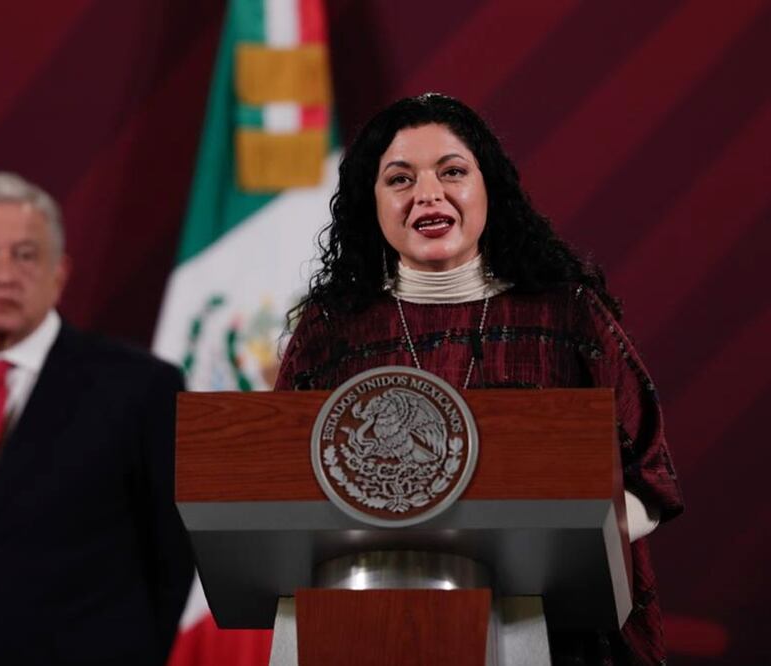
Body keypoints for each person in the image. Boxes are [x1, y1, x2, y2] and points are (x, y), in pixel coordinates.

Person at [275, 94, 683, 664]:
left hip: (559, 627)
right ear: (371, 204)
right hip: (372, 628)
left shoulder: (566, 314)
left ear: (489, 187)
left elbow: (649, 477)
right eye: (399, 179)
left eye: (452, 172)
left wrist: (554, 550)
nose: (428, 194)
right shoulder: (330, 330)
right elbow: (278, 488)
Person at [0, 172, 194, 665]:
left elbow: (173, 555)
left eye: (25, 255)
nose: (3, 273)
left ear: (59, 273)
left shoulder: (141, 387)